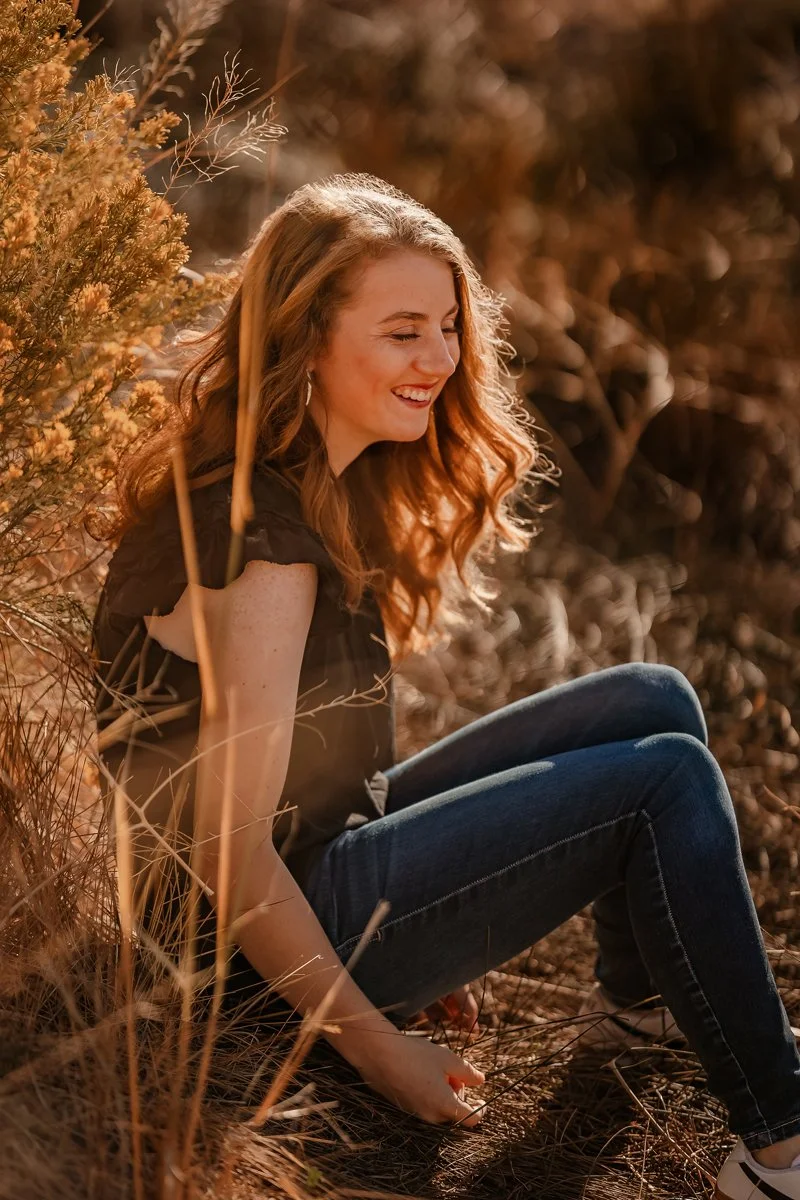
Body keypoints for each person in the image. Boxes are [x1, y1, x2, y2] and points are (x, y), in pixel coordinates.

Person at [91, 173, 800, 1198]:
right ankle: (779, 1148)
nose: (439, 360)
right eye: (402, 332)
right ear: (306, 339)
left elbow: (323, 775)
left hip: (314, 871)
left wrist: (446, 893)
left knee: (651, 696)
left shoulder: (297, 481)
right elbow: (229, 858)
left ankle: (644, 998)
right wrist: (384, 1051)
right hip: (235, 969)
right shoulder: (259, 550)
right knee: (661, 779)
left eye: (448, 326)